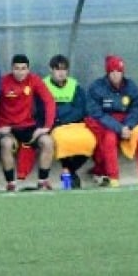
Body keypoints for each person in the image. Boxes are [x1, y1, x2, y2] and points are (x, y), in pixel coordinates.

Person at [84, 55, 138, 187]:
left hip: (128, 123)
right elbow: (96, 113)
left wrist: (128, 125)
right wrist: (119, 128)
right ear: (107, 72)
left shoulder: (130, 86)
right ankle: (113, 177)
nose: (115, 75)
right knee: (109, 138)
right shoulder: (96, 87)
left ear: (123, 72)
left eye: (118, 71)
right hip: (108, 124)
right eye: (112, 72)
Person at [0, 54, 56, 191]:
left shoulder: (34, 80)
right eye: (17, 68)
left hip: (28, 126)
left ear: (28, 69)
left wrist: (46, 127)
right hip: (7, 128)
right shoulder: (2, 82)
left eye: (23, 68)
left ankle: (42, 181)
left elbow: (49, 101)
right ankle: (11, 183)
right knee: (6, 143)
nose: (20, 72)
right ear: (12, 69)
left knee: (48, 141)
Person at [44, 54, 97, 188]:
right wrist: (60, 116)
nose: (61, 73)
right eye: (57, 69)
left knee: (91, 140)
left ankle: (69, 171)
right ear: (51, 70)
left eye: (64, 69)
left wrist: (61, 116)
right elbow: (43, 109)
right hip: (55, 126)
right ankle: (69, 178)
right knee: (62, 141)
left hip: (75, 124)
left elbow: (81, 109)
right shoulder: (43, 85)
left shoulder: (75, 86)